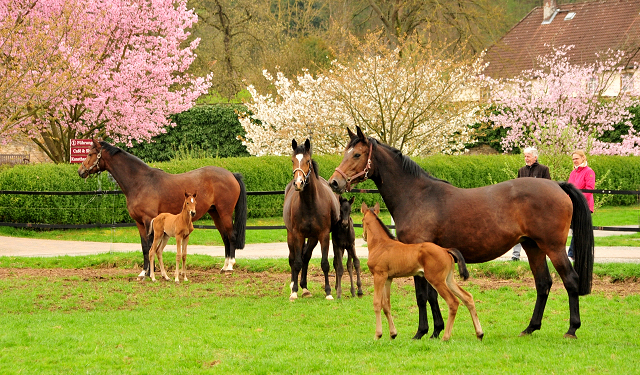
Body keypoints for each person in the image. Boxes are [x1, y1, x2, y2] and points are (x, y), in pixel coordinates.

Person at [511, 147, 551, 261]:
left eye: (528, 156)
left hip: (538, 208)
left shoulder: (544, 169)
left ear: (535, 157)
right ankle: (515, 256)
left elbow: (548, 188)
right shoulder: (521, 171)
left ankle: (542, 256)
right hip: (522, 207)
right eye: (525, 156)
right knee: (517, 230)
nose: (526, 158)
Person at [567, 149, 595, 262]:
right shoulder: (573, 173)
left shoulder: (589, 171)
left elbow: (589, 189)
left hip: (584, 205)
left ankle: (571, 254)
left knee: (578, 230)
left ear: (583, 158)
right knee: (577, 231)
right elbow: (569, 189)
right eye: (573, 159)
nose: (575, 161)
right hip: (573, 205)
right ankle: (577, 255)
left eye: (577, 158)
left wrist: (578, 201)